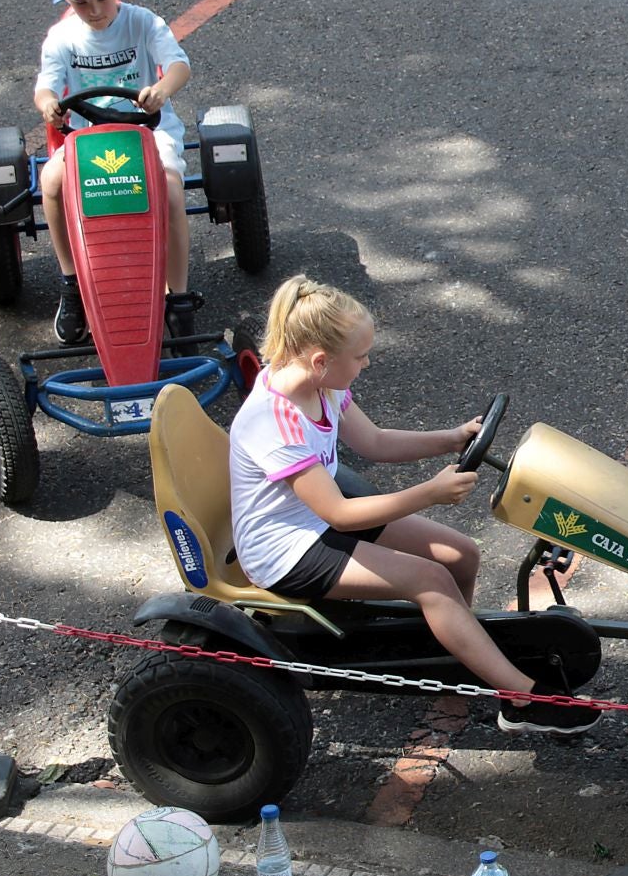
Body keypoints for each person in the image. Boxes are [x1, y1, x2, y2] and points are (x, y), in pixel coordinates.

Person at [228, 274, 597, 734]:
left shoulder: (321, 382)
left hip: (315, 520)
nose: (365, 365)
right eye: (360, 357)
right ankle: (521, 699)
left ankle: (457, 659)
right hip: (282, 549)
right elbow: (339, 515)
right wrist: (430, 492)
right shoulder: (274, 421)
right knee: (431, 579)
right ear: (321, 360)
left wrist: (450, 439)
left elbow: (376, 442)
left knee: (461, 554)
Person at [34, 0, 199, 344]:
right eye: (80, 4)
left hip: (146, 127)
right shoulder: (61, 39)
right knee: (52, 183)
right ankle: (72, 282)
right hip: (85, 135)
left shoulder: (143, 22)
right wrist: (50, 104)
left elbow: (179, 65)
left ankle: (176, 297)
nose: (92, 11)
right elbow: (45, 88)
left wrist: (161, 89)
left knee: (172, 191)